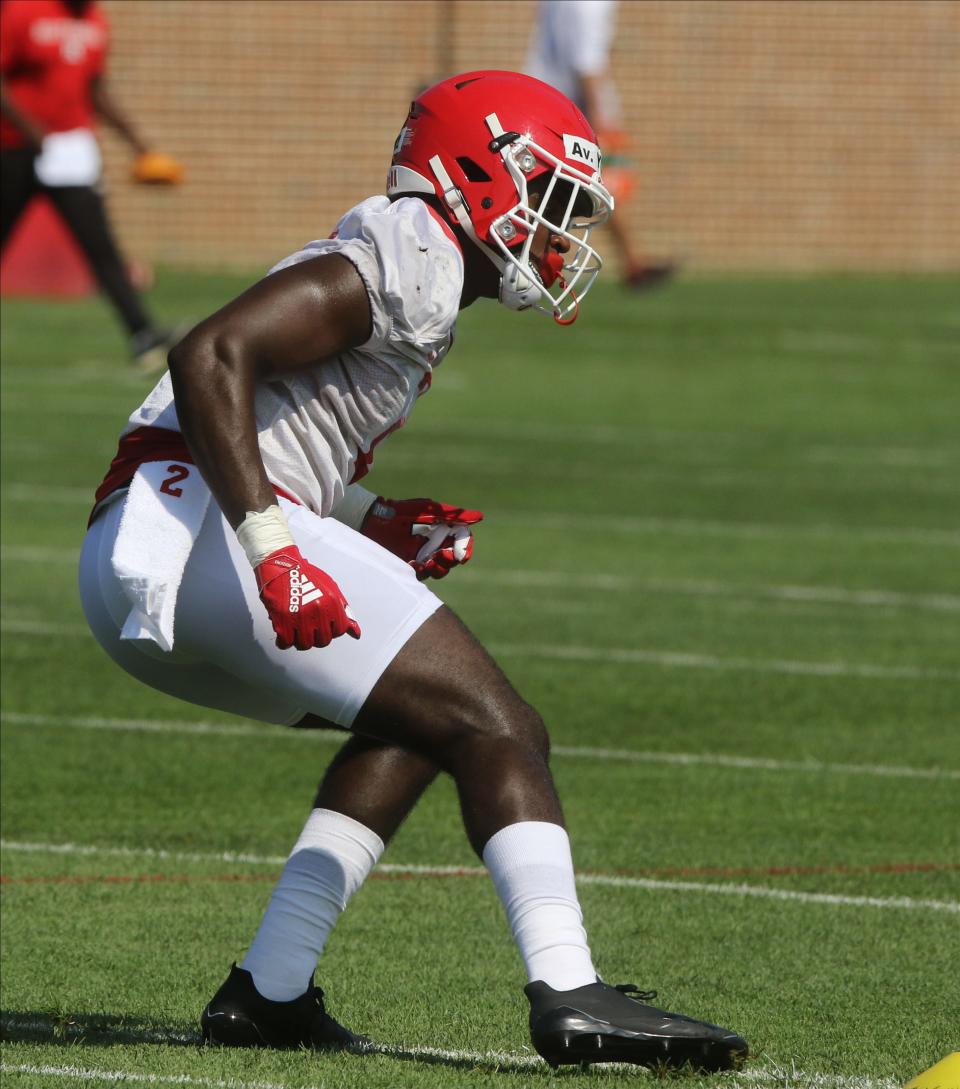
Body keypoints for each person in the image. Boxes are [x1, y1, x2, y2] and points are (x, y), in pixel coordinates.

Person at [77, 69, 746, 1072]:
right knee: (500, 726)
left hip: (156, 544)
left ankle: (268, 991)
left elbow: (271, 429)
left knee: (422, 724)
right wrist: (275, 551)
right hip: (199, 535)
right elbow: (211, 353)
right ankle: (571, 991)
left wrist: (369, 518)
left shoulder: (418, 267)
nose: (562, 232)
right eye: (550, 199)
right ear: (475, 176)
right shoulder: (411, 248)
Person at [0, 0, 182, 373]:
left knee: (99, 245)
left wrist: (136, 141)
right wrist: (29, 127)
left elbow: (94, 88)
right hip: (14, 149)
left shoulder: (95, 20)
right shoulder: (24, 11)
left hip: (70, 150)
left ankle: (142, 333)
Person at [526, 0, 675, 290]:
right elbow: (587, 62)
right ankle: (630, 262)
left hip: (549, 95)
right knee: (602, 186)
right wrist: (599, 121)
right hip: (574, 105)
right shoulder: (590, 5)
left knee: (568, 187)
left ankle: (632, 260)